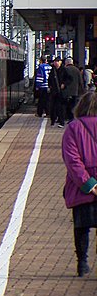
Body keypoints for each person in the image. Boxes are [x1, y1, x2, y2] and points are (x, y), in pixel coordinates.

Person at [61, 91, 97, 277]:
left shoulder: (73, 128)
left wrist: (89, 184)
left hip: (81, 188)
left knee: (81, 227)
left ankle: (82, 263)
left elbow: (72, 161)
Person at [61, 57, 85, 123]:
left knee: (65, 105)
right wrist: (82, 90)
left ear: (66, 63)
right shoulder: (77, 70)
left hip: (66, 91)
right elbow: (80, 81)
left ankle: (65, 118)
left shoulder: (65, 69)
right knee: (73, 105)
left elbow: (62, 79)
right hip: (75, 91)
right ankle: (72, 118)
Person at [49, 57, 66, 128]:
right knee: (52, 107)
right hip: (54, 91)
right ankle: (52, 121)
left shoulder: (64, 70)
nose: (56, 63)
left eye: (58, 61)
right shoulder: (52, 70)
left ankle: (61, 121)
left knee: (60, 107)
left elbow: (68, 79)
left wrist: (64, 84)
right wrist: (50, 86)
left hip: (61, 92)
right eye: (55, 61)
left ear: (60, 62)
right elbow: (49, 79)